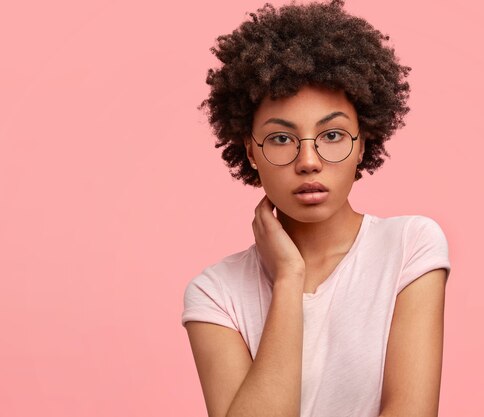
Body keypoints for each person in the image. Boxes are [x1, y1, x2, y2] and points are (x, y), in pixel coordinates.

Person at [181, 1, 451, 416]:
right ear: (251, 151)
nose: (309, 160)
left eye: (332, 134)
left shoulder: (409, 247)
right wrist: (290, 279)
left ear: (363, 142)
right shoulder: (216, 295)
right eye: (282, 139)